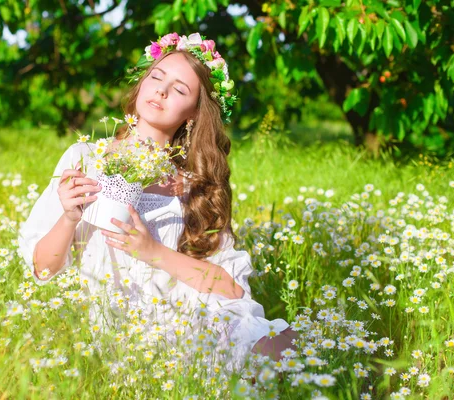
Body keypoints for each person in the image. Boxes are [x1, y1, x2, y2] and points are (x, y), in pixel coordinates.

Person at [18, 32, 297, 373]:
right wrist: (68, 218)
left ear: (194, 112)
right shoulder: (85, 158)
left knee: (285, 344)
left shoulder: (195, 183)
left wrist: (153, 252)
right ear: (142, 84)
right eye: (157, 77)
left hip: (182, 316)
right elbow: (43, 268)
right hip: (116, 322)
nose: (162, 91)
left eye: (180, 89)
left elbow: (231, 289)